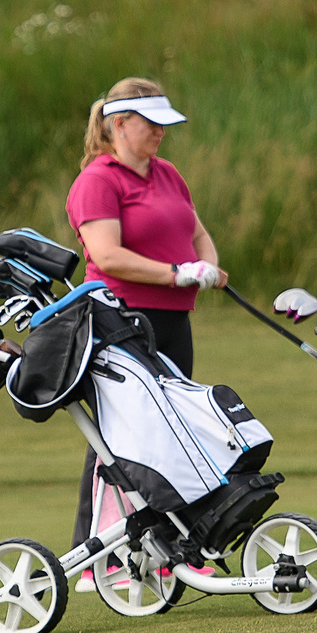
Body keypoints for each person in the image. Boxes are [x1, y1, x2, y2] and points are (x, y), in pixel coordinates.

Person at [64, 77, 225, 574]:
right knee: (120, 437)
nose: (161, 132)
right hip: (121, 319)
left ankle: (167, 548)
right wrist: (177, 274)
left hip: (173, 320)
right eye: (151, 123)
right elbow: (108, 256)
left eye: (163, 124)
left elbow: (198, 233)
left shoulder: (167, 173)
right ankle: (102, 557)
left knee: (172, 429)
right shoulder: (98, 180)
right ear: (119, 125)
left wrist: (206, 267)